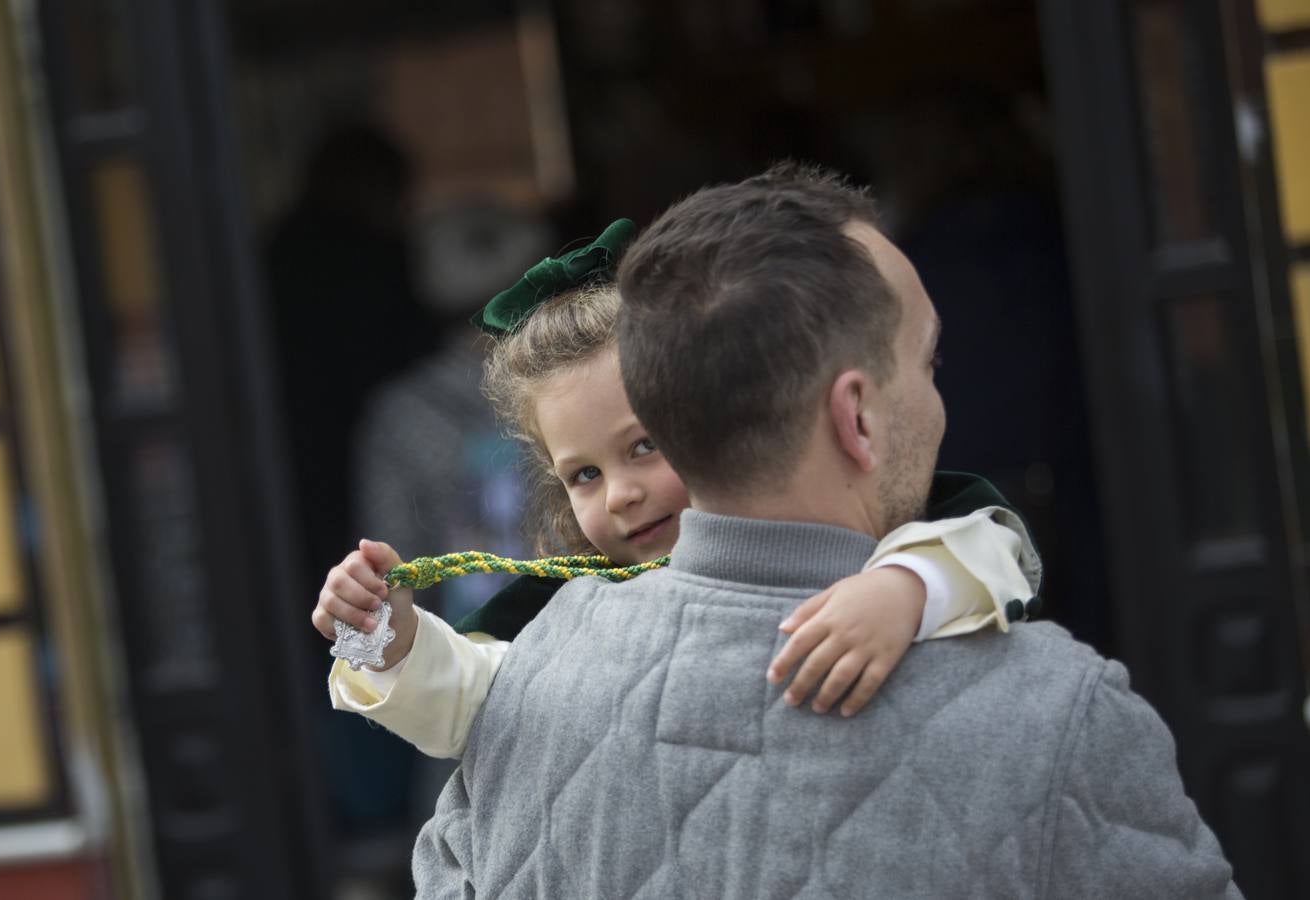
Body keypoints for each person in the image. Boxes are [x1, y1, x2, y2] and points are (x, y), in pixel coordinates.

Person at [409, 163, 1240, 898]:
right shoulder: (1062, 718)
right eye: (923, 364)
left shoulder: (518, 692)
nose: (938, 398)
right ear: (856, 415)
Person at [315, 220, 1041, 759]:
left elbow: (996, 549)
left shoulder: (843, 535)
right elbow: (474, 694)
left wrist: (904, 589)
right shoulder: (568, 615)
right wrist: (391, 639)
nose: (623, 493)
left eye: (644, 446)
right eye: (585, 475)